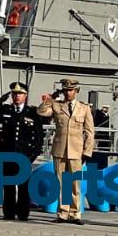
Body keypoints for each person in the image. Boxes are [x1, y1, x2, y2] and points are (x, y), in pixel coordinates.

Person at [0, 82, 45, 221]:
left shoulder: (32, 112)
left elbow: (39, 136)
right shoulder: (6, 110)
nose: (17, 97)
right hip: (7, 154)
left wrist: (33, 155)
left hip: (24, 155)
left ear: (25, 95)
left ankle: (23, 213)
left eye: (20, 94)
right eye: (14, 94)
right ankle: (9, 213)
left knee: (23, 186)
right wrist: (1, 99)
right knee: (8, 186)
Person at [37, 79, 94, 225]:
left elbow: (89, 132)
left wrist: (87, 152)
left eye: (70, 90)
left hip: (76, 151)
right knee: (61, 183)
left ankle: (75, 213)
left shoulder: (84, 108)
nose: (67, 93)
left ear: (76, 91)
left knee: (75, 184)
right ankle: (63, 213)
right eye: (65, 90)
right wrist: (51, 97)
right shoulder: (57, 106)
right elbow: (41, 111)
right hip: (60, 150)